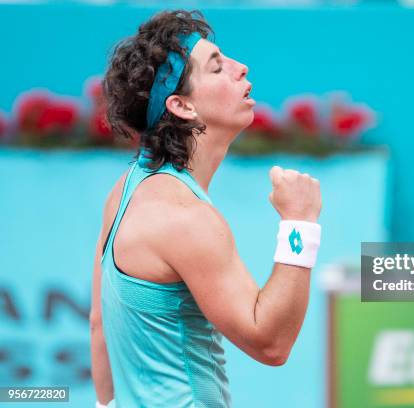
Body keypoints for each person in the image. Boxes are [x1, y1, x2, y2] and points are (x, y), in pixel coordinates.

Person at [88, 10, 322, 408]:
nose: (240, 67)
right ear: (182, 106)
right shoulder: (185, 217)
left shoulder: (127, 188)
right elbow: (271, 343)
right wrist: (299, 224)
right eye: (217, 68)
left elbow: (99, 327)